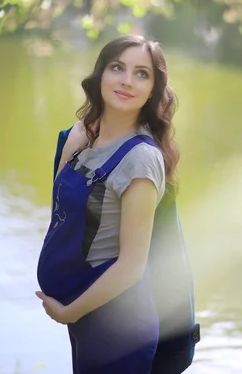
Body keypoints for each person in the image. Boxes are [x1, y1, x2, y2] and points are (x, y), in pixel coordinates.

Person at [36, 34, 180, 374]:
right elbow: (61, 213)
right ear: (101, 73)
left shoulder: (141, 160)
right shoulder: (86, 137)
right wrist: (72, 145)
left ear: (153, 89)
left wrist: (70, 312)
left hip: (117, 328)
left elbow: (132, 266)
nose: (127, 81)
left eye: (142, 73)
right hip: (87, 315)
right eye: (118, 68)